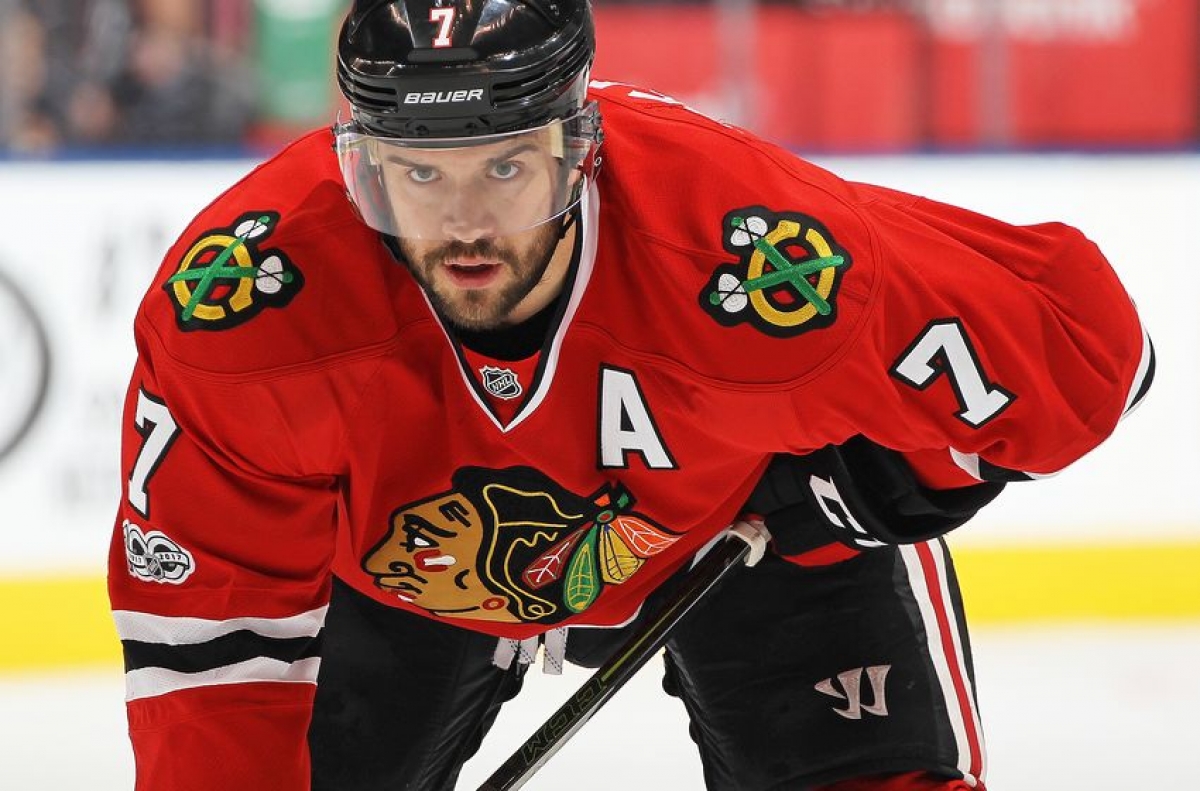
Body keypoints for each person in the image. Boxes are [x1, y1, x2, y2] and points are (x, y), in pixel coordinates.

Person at [107, 1, 1154, 789]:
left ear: (579, 150)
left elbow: (1091, 349)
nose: (464, 226)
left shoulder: (751, 257)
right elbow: (209, 632)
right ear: (358, 165)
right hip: (401, 568)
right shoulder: (242, 310)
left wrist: (863, 487)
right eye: (417, 177)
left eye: (504, 169)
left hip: (742, 532)